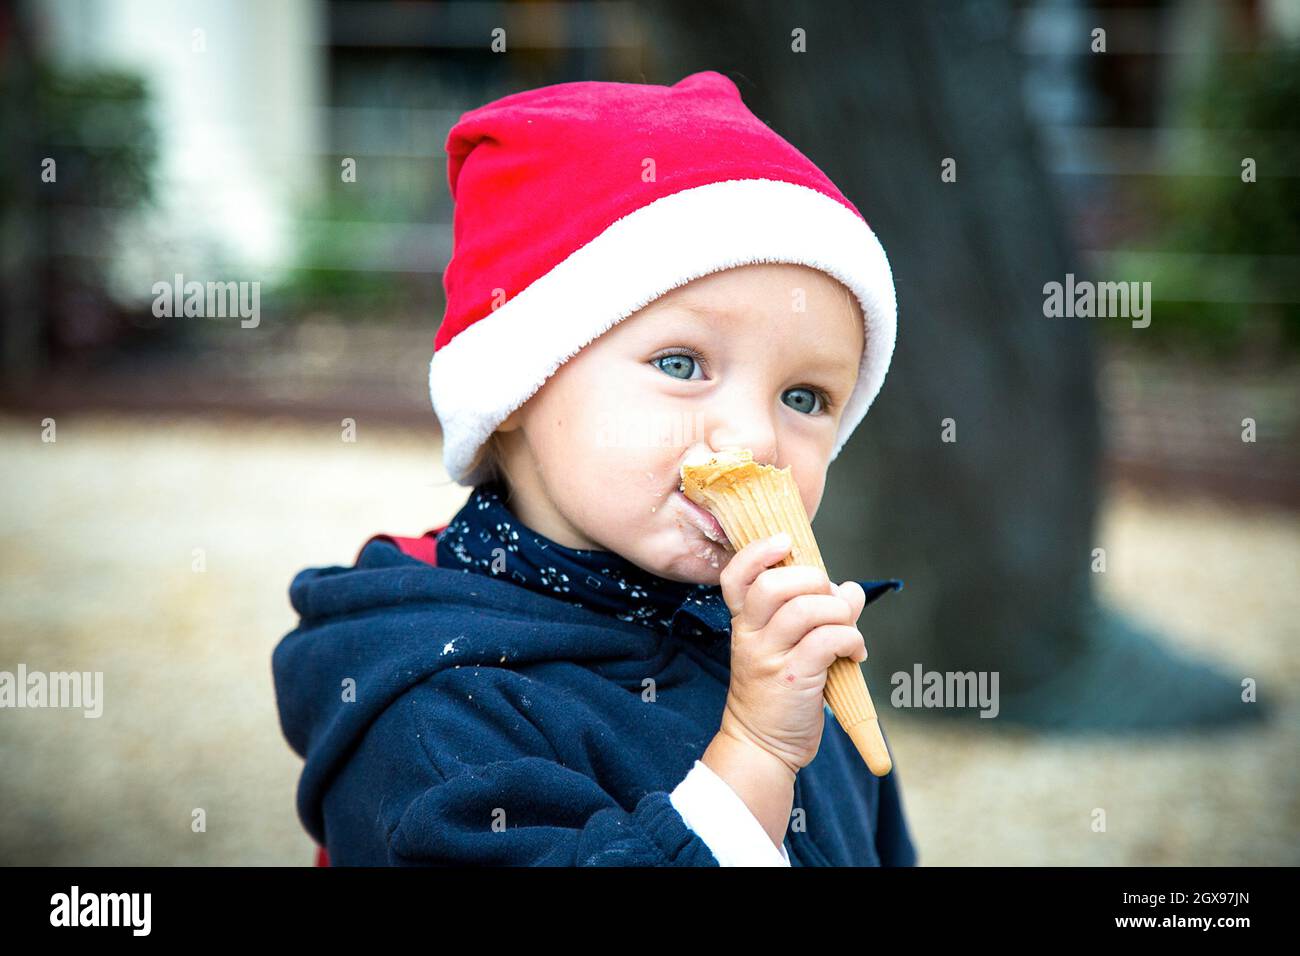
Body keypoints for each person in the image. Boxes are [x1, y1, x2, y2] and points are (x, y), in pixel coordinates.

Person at [272, 70, 916, 866]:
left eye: (806, 397)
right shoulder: (439, 710)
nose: (753, 437)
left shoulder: (786, 655)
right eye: (681, 364)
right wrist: (752, 751)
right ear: (515, 385)